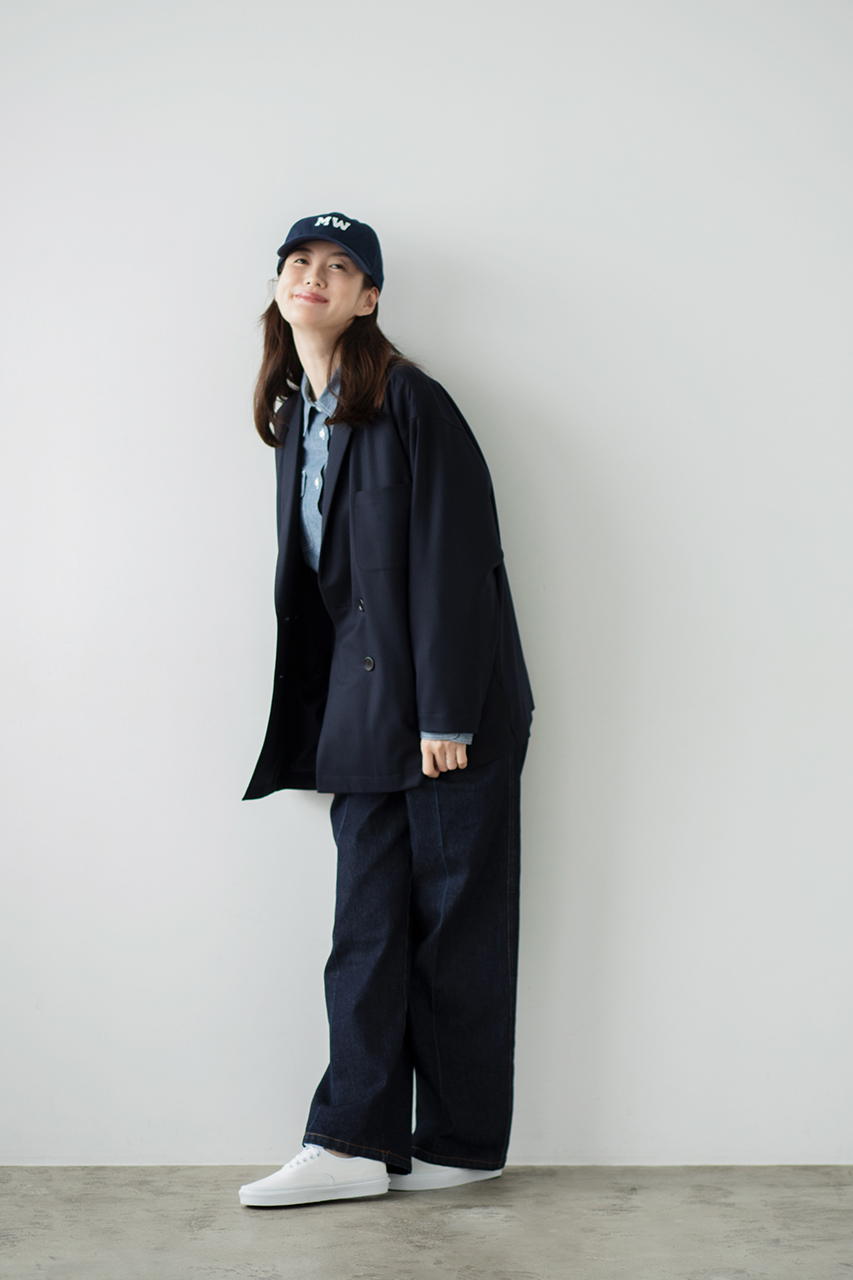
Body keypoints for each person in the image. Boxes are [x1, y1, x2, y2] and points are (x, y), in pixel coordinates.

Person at [238, 212, 534, 1208]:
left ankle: (461, 1141)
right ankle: (353, 1142)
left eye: (339, 267)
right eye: (298, 262)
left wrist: (446, 716)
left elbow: (457, 559)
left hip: (454, 713)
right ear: (279, 287)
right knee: (363, 928)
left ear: (368, 298)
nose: (313, 276)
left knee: (455, 928)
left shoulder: (410, 399)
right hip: (364, 713)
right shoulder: (297, 419)